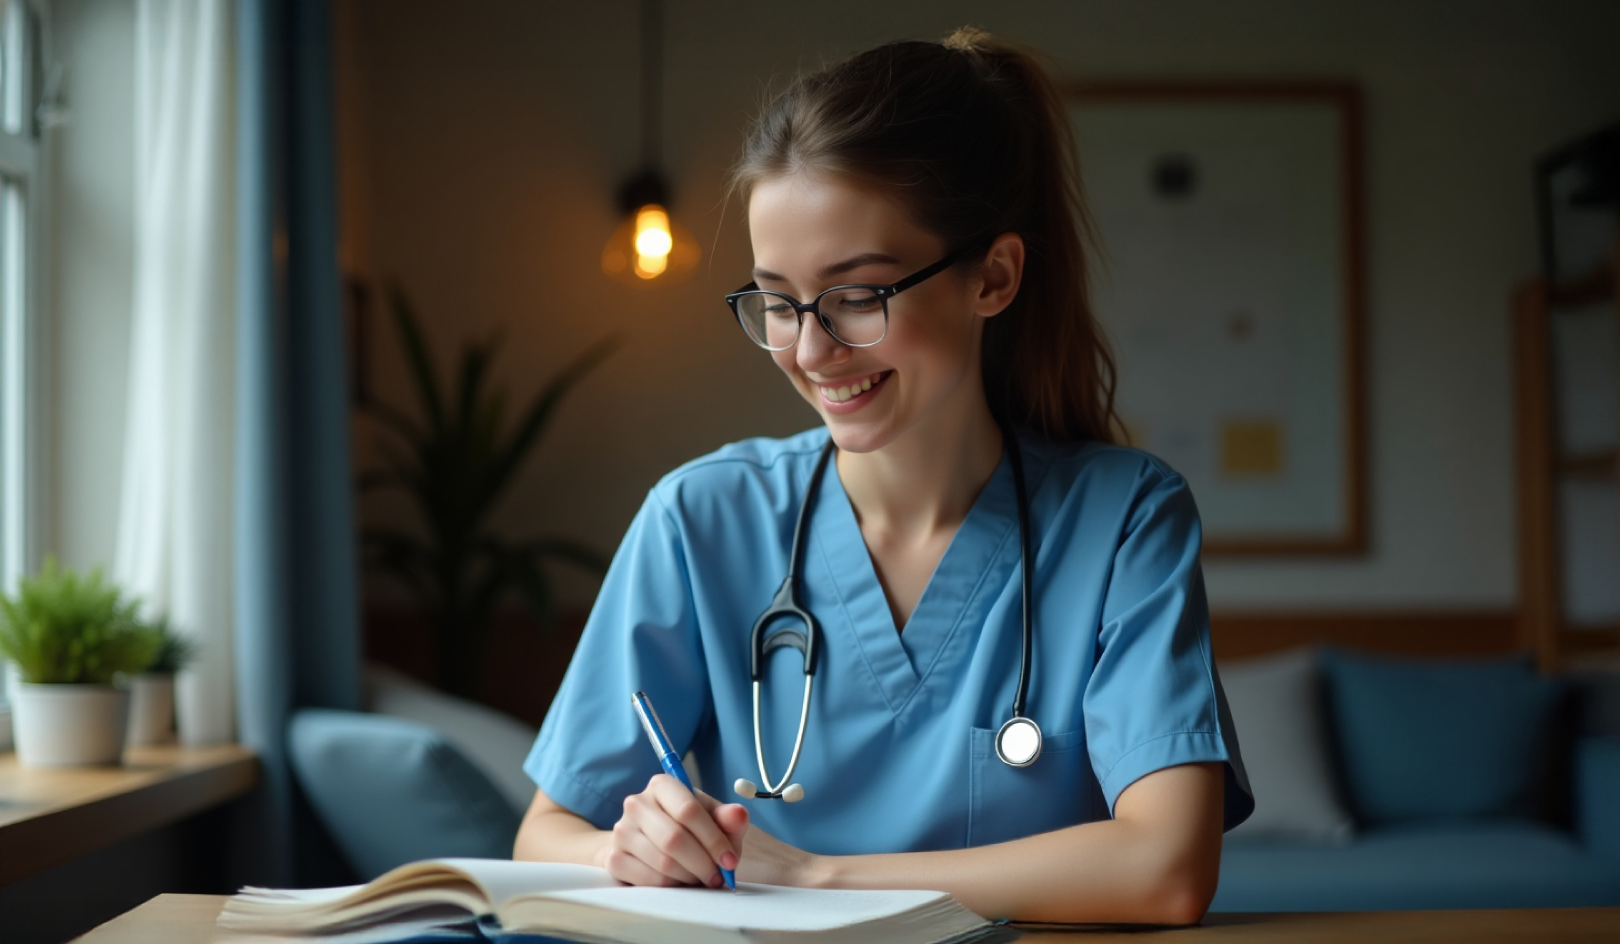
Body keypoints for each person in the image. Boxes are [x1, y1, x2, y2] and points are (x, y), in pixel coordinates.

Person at [514, 27, 1253, 925]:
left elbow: (1167, 868)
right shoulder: (699, 519)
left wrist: (817, 876)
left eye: (857, 295)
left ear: (993, 277)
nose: (811, 350)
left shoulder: (1126, 519)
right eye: (777, 302)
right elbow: (547, 833)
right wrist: (629, 845)